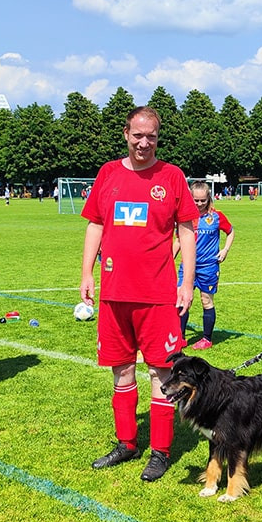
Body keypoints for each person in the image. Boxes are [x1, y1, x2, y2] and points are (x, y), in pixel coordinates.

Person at [81, 106, 198, 482]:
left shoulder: (172, 176)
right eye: (138, 135)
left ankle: (161, 451)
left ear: (158, 137)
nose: (144, 143)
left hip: (158, 294)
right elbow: (96, 225)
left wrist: (187, 282)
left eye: (151, 136)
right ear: (126, 134)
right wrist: (87, 272)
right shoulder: (108, 173)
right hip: (115, 293)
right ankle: (126, 443)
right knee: (121, 369)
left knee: (161, 372)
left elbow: (186, 231)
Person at [178, 181, 233, 350]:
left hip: (208, 267)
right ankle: (180, 338)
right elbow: (179, 240)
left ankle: (207, 339)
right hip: (187, 266)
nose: (200, 203)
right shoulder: (185, 217)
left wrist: (225, 250)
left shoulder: (216, 217)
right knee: (182, 301)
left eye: (203, 200)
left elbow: (230, 231)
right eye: (196, 200)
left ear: (208, 198)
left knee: (206, 300)